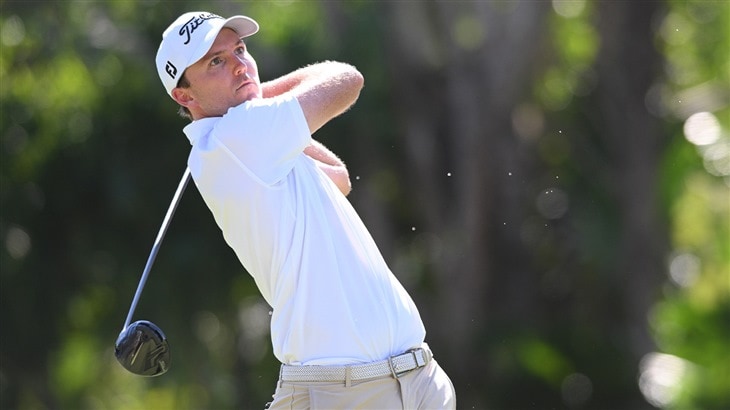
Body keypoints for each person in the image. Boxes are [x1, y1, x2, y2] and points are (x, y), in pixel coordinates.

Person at [155, 11, 456, 409]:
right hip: (344, 393)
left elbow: (338, 178)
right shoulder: (236, 136)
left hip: (416, 380)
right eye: (216, 62)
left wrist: (254, 97)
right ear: (184, 96)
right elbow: (346, 80)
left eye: (240, 50)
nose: (240, 66)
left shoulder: (250, 140)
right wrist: (260, 98)